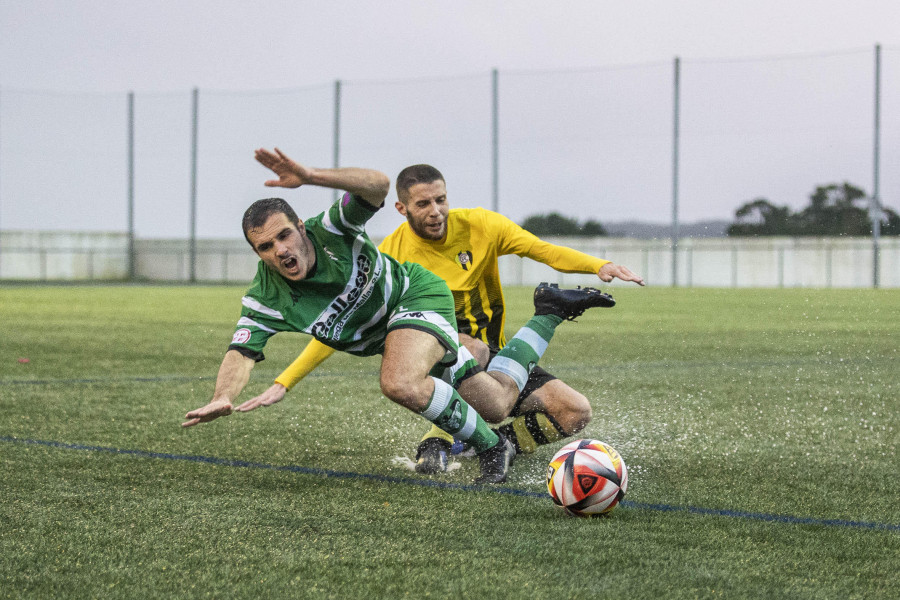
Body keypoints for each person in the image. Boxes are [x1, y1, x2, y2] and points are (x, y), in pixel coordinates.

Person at [183, 148, 615, 484]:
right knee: (497, 402)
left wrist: (312, 177)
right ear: (257, 253)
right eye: (266, 247)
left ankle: (487, 448)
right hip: (409, 335)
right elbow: (241, 352)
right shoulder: (265, 298)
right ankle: (549, 314)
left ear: (299, 225)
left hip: (418, 296)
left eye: (284, 235)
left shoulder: (332, 229)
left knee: (399, 380)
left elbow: (377, 184)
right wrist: (225, 394)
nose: (280, 249)